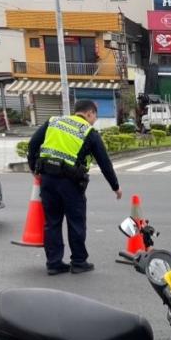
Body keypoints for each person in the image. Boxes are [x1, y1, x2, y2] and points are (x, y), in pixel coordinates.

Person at [27, 99, 122, 275]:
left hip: (47, 179)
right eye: (95, 116)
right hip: (70, 183)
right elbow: (104, 162)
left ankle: (54, 263)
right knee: (76, 222)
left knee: (52, 222)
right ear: (89, 113)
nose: (94, 120)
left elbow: (33, 144)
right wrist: (115, 186)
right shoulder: (89, 132)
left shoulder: (53, 122)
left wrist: (34, 169)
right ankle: (78, 261)